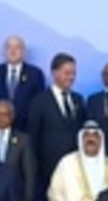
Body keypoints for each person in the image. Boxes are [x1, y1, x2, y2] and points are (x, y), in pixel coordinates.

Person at [28, 52, 86, 191]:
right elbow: (33, 138)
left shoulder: (78, 100)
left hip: (75, 170)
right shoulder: (39, 101)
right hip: (48, 170)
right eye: (67, 73)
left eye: (73, 73)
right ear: (54, 73)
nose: (71, 77)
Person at [0, 36, 45, 131]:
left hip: (26, 128)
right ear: (4, 51)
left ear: (23, 52)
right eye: (9, 47)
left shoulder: (35, 74)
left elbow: (39, 103)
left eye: (17, 47)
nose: (12, 51)